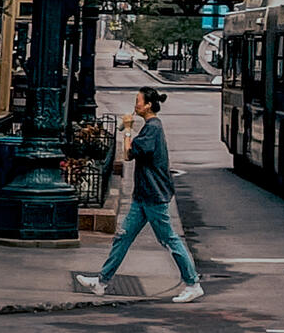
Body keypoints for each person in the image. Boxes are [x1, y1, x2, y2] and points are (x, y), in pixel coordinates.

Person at [77, 89, 202, 302]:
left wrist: (127, 129)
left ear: (148, 105)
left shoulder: (153, 128)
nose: (135, 105)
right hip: (144, 195)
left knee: (169, 239)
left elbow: (128, 154)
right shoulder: (151, 127)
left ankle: (193, 283)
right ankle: (102, 281)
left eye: (138, 101)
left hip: (153, 195)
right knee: (123, 237)